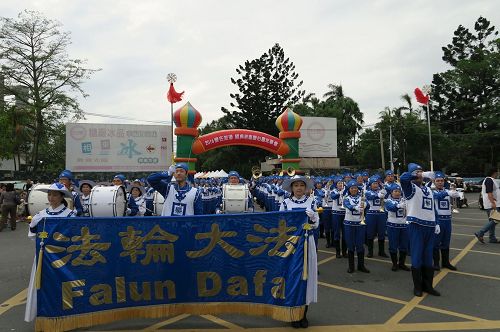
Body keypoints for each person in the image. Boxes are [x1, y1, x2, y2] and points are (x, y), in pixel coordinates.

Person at [24, 182, 76, 322]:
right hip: (44, 258)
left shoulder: (70, 215)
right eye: (49, 194)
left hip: (63, 257)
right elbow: (32, 234)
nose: (51, 197)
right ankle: (45, 315)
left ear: (61, 197)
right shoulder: (40, 215)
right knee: (43, 285)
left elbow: (74, 237)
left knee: (61, 284)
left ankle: (65, 315)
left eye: (55, 195)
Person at [279, 175, 318, 329]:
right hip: (291, 246)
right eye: (296, 185)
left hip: (308, 244)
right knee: (293, 278)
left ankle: (304, 314)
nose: (299, 188)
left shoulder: (312, 201)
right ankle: (292, 314)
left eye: (302, 185)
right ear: (292, 188)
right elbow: (280, 224)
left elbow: (316, 225)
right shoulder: (285, 203)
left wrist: (314, 218)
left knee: (306, 279)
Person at [400, 163, 440, 297]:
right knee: (417, 256)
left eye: (422, 172)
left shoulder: (428, 189)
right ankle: (417, 287)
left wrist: (436, 223)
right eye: (417, 172)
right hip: (416, 225)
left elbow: (433, 208)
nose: (421, 174)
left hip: (429, 226)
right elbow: (403, 178)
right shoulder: (409, 188)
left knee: (428, 257)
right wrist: (418, 174)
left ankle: (428, 285)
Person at [432, 172, 461, 270]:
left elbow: (455, 198)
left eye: (442, 181)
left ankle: (445, 262)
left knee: (446, 242)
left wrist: (456, 193)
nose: (440, 183)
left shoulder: (448, 191)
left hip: (447, 220)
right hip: (438, 220)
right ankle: (436, 263)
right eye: (438, 181)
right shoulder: (432, 192)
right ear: (434, 182)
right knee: (436, 242)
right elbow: (437, 196)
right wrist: (447, 192)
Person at [343, 180, 370, 274]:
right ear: (349, 189)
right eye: (352, 188)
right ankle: (351, 266)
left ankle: (361, 265)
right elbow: (347, 205)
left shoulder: (362, 198)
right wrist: (355, 207)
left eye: (355, 188)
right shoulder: (346, 198)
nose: (354, 189)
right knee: (350, 245)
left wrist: (365, 205)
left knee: (360, 244)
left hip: (359, 223)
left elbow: (368, 205)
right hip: (349, 223)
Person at [384, 184, 410, 271]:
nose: (397, 193)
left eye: (399, 191)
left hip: (404, 225)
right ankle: (394, 264)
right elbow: (390, 208)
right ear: (391, 192)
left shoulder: (404, 200)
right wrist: (398, 206)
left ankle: (402, 263)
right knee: (393, 245)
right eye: (395, 191)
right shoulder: (388, 200)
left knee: (404, 245)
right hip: (393, 225)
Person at [364, 176, 388, 258]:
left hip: (381, 214)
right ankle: (370, 252)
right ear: (370, 185)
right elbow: (370, 197)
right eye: (374, 183)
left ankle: (381, 251)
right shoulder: (367, 192)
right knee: (370, 233)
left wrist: (384, 194)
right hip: (371, 214)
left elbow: (386, 200)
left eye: (377, 183)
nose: (375, 185)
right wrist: (379, 195)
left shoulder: (381, 191)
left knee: (381, 233)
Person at [475, 168, 500, 244]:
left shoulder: (490, 180)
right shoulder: (489, 180)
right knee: (496, 220)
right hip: (492, 204)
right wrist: (493, 203)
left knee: (492, 220)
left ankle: (492, 238)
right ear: (494, 173)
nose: (498, 174)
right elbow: (489, 192)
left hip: (493, 203)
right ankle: (480, 233)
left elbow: (491, 192)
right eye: (497, 173)